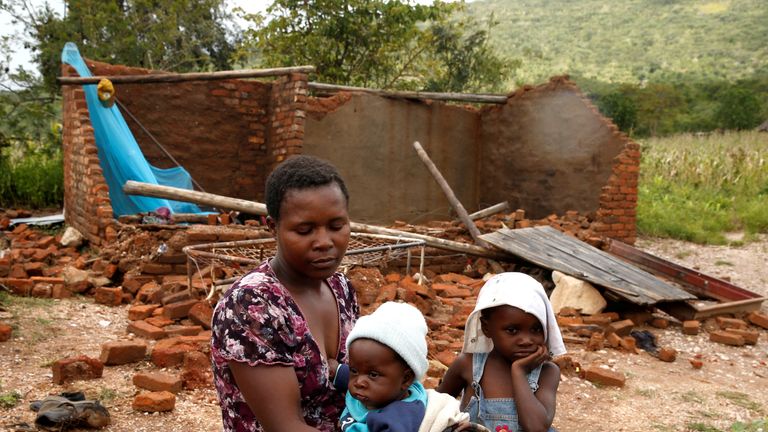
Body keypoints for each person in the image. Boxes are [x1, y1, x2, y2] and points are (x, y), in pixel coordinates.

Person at [210, 155, 360, 432]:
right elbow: (285, 427)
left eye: (337, 226)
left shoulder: (341, 289)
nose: (325, 242)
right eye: (305, 230)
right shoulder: (251, 307)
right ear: (272, 227)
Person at [436, 273, 566, 432]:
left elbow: (537, 428)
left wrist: (518, 372)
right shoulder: (468, 364)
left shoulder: (547, 372)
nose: (526, 340)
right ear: (486, 327)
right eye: (512, 330)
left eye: (536, 329)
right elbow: (435, 410)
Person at [334, 301, 470, 432]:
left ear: (406, 379)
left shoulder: (399, 418)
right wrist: (336, 370)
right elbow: (349, 375)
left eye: (373, 374)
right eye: (354, 370)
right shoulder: (377, 388)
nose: (359, 382)